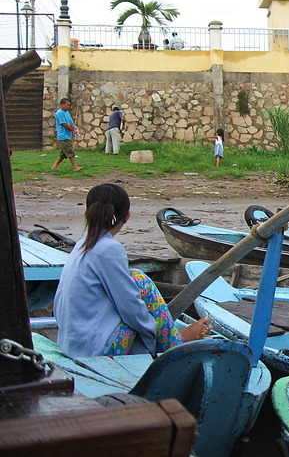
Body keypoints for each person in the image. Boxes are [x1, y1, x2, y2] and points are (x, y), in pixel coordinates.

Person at [53, 184, 212, 358]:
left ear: (87, 213)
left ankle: (170, 337)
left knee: (134, 277)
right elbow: (129, 307)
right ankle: (173, 342)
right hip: (96, 350)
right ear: (127, 216)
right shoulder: (108, 249)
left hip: (74, 343)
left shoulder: (82, 245)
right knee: (140, 281)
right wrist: (154, 329)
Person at [51, 98, 83, 171]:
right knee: (69, 151)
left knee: (64, 153)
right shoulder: (59, 113)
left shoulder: (67, 113)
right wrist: (72, 130)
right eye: (67, 105)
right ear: (62, 104)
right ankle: (75, 167)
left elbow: (70, 122)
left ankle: (54, 166)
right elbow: (64, 124)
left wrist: (74, 127)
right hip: (63, 135)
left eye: (69, 105)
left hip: (68, 135)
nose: (68, 107)